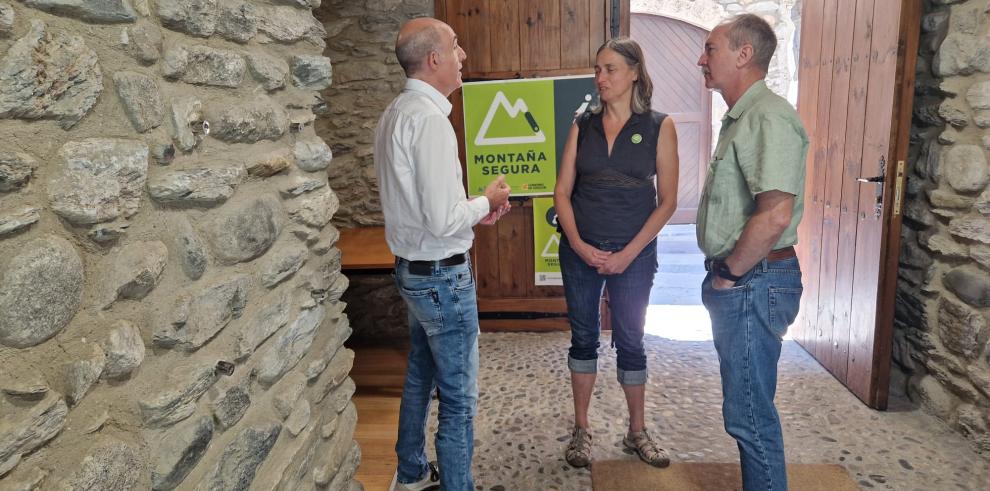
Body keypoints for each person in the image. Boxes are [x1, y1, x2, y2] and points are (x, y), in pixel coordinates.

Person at [374, 17, 511, 491]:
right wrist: (487, 202)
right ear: (434, 59)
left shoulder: (395, 111)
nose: (463, 55)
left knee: (421, 373)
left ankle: (411, 473)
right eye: (456, 46)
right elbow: (439, 218)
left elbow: (429, 211)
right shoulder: (430, 120)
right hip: (440, 280)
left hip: (414, 271)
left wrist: (473, 212)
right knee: (458, 399)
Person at [553, 37, 679, 469]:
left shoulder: (661, 125)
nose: (599, 78)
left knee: (631, 341)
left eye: (609, 69)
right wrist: (579, 244)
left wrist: (628, 253)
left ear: (634, 74)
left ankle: (636, 431)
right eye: (597, 69)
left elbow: (668, 202)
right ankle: (582, 430)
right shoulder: (581, 124)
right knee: (584, 338)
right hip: (579, 253)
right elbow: (562, 192)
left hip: (635, 257)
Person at [695, 14, 809, 491]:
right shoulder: (742, 116)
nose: (702, 59)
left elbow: (774, 215)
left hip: (754, 281)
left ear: (744, 55)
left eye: (711, 49)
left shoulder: (769, 116)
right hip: (747, 280)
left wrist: (729, 275)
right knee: (745, 409)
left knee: (750, 415)